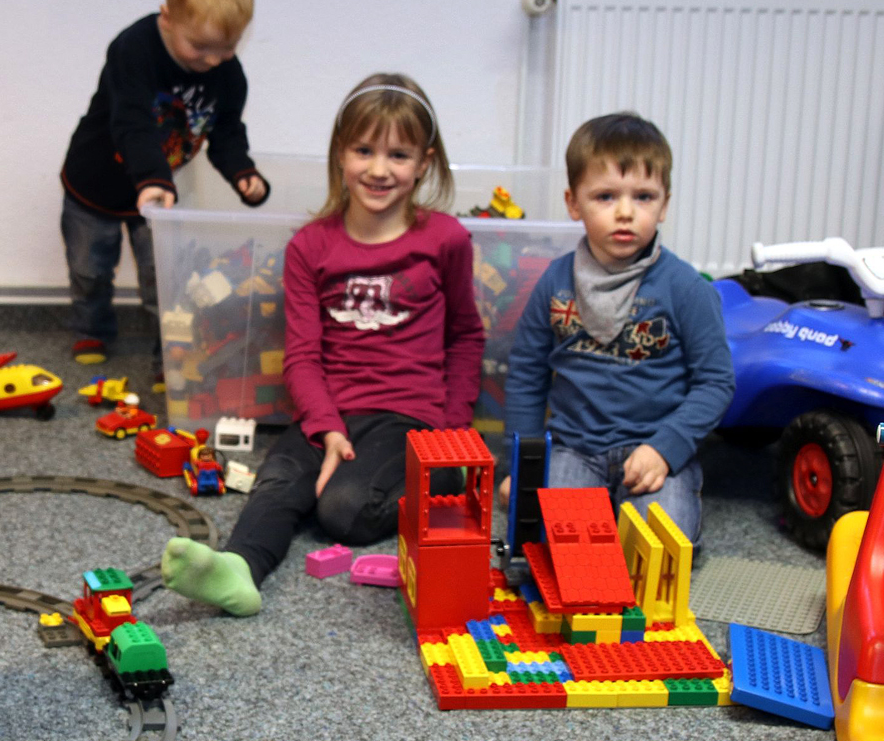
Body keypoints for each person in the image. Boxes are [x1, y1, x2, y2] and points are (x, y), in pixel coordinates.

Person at [159, 73, 486, 615]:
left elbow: (466, 336)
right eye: (364, 150)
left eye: (399, 155)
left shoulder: (445, 238)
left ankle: (431, 478)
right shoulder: (311, 246)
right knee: (278, 479)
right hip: (330, 409)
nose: (379, 170)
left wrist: (447, 435)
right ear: (340, 154)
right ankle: (239, 569)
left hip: (408, 416)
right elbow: (303, 355)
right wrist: (327, 427)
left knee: (344, 512)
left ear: (424, 162)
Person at [503, 113, 734, 542]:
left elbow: (716, 382)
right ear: (574, 203)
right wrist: (521, 467)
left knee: (660, 549)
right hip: (574, 449)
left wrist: (666, 449)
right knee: (549, 542)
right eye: (605, 196)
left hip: (653, 449)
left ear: (664, 204)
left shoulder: (686, 287)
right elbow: (525, 378)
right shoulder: (553, 282)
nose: (625, 213)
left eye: (643, 197)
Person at [60, 0, 272, 379]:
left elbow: (226, 131)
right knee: (90, 268)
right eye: (200, 46)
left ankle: (171, 354)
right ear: (167, 16)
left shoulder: (228, 76)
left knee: (167, 279)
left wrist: (243, 172)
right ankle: (92, 329)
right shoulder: (133, 50)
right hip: (96, 182)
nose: (212, 61)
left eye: (226, 49)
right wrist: (154, 178)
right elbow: (132, 121)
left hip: (159, 196)